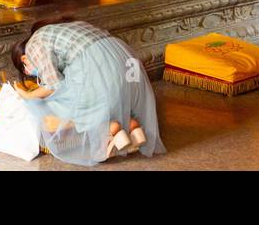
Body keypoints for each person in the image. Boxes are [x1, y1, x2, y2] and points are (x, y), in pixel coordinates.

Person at [9, 18, 164, 166]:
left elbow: (53, 86)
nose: (34, 73)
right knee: (99, 96)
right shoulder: (65, 27)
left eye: (28, 72)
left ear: (24, 60)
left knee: (64, 102)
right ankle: (132, 125)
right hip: (124, 58)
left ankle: (111, 128)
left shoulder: (33, 47)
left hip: (94, 61)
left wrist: (28, 95)